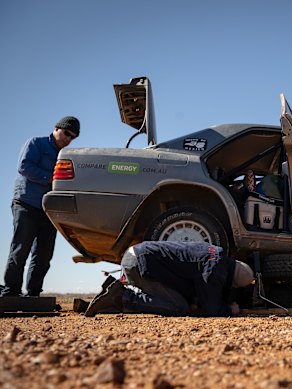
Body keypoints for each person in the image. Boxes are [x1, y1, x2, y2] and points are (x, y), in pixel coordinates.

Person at [1, 116, 80, 297]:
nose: (68, 139)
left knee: (44, 254)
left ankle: (33, 294)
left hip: (49, 210)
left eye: (73, 137)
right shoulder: (36, 143)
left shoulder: (65, 156)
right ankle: (11, 292)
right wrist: (50, 178)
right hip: (26, 204)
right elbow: (24, 166)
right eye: (67, 133)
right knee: (21, 249)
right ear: (56, 128)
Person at [84, 241, 255, 317]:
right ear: (232, 282)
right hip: (140, 263)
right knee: (179, 307)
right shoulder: (215, 269)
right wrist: (229, 309)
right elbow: (211, 308)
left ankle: (107, 292)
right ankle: (121, 297)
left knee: (177, 299)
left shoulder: (215, 254)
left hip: (137, 256)